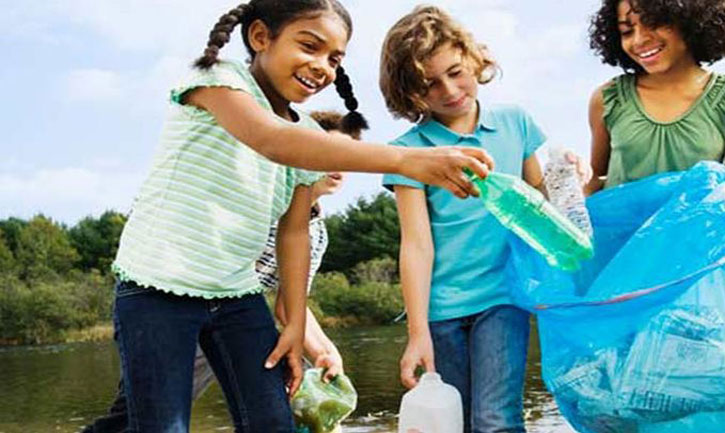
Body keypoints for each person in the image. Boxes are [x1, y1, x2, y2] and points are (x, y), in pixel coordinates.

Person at [109, 0, 495, 431]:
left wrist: (294, 322)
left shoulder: (308, 135)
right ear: (260, 38)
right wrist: (406, 159)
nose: (322, 66)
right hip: (157, 289)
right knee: (160, 425)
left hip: (236, 295)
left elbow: (293, 233)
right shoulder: (215, 78)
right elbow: (270, 138)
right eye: (309, 46)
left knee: (274, 422)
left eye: (334, 58)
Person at [81, 110, 359, 433]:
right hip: (181, 305)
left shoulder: (317, 234)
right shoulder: (265, 199)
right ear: (301, 150)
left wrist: (325, 351)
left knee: (268, 414)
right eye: (330, 152)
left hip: (238, 321)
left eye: (348, 155)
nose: (339, 165)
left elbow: (289, 305)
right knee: (137, 417)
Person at [380, 6, 585, 432]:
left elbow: (541, 205)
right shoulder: (409, 151)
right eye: (430, 84)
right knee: (453, 421)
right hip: (440, 309)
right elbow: (416, 244)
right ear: (410, 92)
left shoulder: (515, 123)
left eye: (456, 72)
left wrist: (572, 175)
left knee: (494, 418)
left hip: (502, 296)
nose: (450, 90)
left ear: (474, 59)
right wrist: (418, 332)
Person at [585, 0, 725, 197]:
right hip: (619, 228)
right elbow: (595, 179)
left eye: (653, 23)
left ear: (690, 20)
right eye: (627, 31)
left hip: (697, 228)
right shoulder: (608, 98)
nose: (639, 40)